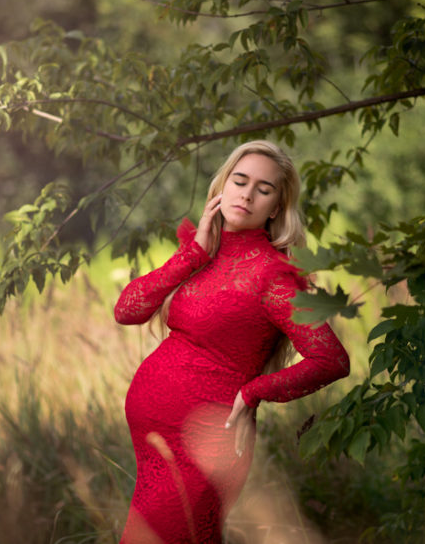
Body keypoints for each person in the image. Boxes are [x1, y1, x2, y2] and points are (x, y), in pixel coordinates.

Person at [114, 140, 350, 543]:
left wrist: (255, 391)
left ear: (276, 207)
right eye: (240, 181)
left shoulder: (273, 276)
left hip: (205, 444)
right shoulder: (202, 252)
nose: (247, 193)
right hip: (154, 448)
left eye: (264, 188)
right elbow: (127, 310)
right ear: (223, 186)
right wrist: (194, 254)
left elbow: (331, 359)